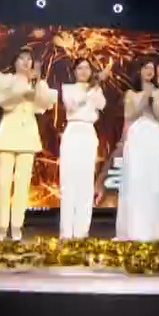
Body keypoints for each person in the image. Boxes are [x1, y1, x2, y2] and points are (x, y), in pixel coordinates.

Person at [0, 48, 58, 242]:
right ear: (15, 62)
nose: (26, 62)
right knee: (3, 183)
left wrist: (36, 83)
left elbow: (44, 104)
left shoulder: (37, 82)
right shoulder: (5, 79)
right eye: (22, 58)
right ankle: (1, 226)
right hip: (7, 133)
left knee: (22, 184)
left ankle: (17, 225)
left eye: (29, 59)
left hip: (28, 134)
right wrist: (20, 93)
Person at [96, 59, 159, 241]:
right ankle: (134, 230)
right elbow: (132, 114)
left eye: (152, 68)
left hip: (153, 136)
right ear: (139, 71)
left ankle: (152, 231)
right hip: (136, 137)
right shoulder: (130, 94)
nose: (149, 71)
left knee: (153, 183)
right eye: (145, 67)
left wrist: (155, 98)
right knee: (135, 181)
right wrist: (145, 95)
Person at [58, 58, 110, 239]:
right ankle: (66, 232)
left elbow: (102, 104)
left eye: (87, 68)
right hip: (73, 131)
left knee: (86, 183)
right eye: (80, 68)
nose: (83, 71)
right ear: (74, 71)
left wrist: (96, 86)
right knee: (68, 182)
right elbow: (73, 105)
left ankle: (82, 231)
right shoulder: (68, 88)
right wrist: (93, 85)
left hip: (88, 132)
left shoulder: (96, 89)